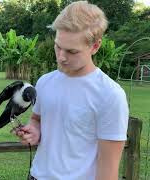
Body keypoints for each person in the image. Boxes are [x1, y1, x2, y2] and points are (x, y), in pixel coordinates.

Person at [15, 1, 129, 180]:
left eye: (72, 51)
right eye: (58, 46)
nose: (61, 57)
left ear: (95, 46)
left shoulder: (110, 95)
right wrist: (34, 130)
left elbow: (108, 169)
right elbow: (36, 119)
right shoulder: (45, 82)